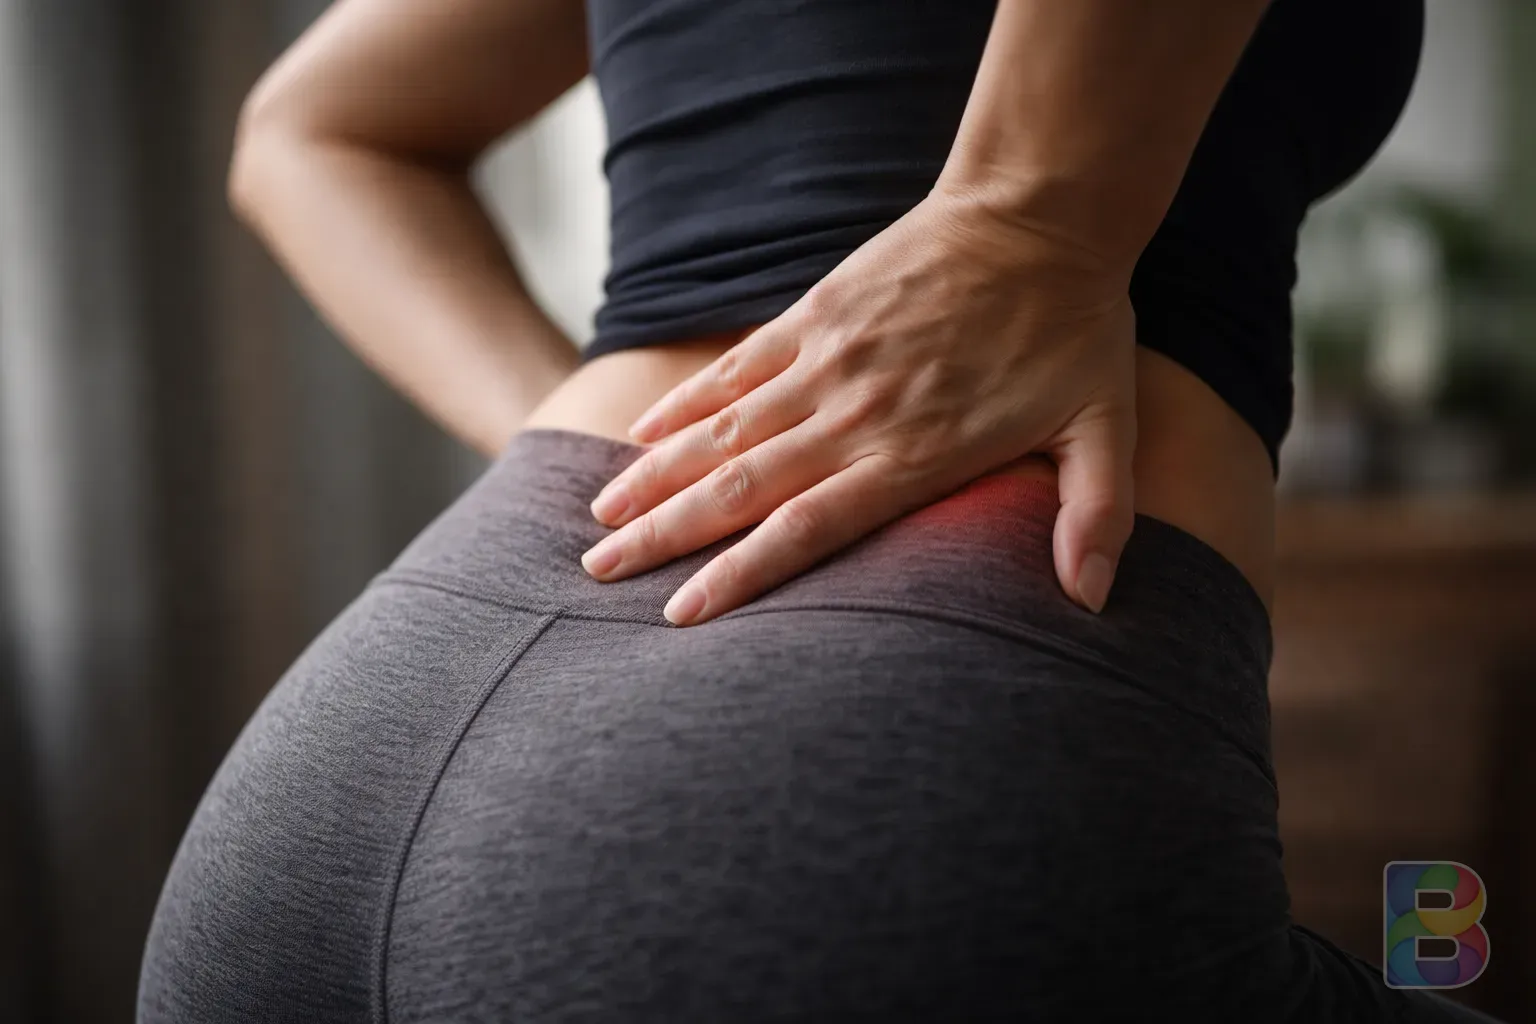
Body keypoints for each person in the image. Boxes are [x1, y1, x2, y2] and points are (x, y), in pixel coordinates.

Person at [137, 0, 1504, 1020]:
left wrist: (626, 455)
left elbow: (310, 132)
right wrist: (1026, 223)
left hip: (331, 778)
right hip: (843, 808)